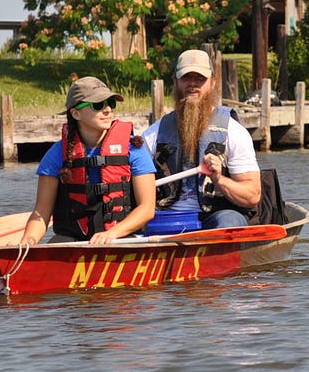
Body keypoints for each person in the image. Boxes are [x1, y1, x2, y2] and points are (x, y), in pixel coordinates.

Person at [20, 76, 157, 246]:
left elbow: (147, 209)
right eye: (98, 105)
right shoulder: (56, 155)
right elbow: (41, 212)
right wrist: (28, 242)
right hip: (74, 240)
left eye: (111, 103)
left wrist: (112, 233)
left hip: (122, 236)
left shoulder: (134, 149)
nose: (107, 110)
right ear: (75, 113)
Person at [141, 49, 262, 230]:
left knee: (229, 222)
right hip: (166, 216)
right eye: (186, 78)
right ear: (175, 82)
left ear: (213, 82)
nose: (192, 84)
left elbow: (252, 196)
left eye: (200, 79)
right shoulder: (153, 134)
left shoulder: (234, 132)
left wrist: (219, 179)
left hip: (216, 216)